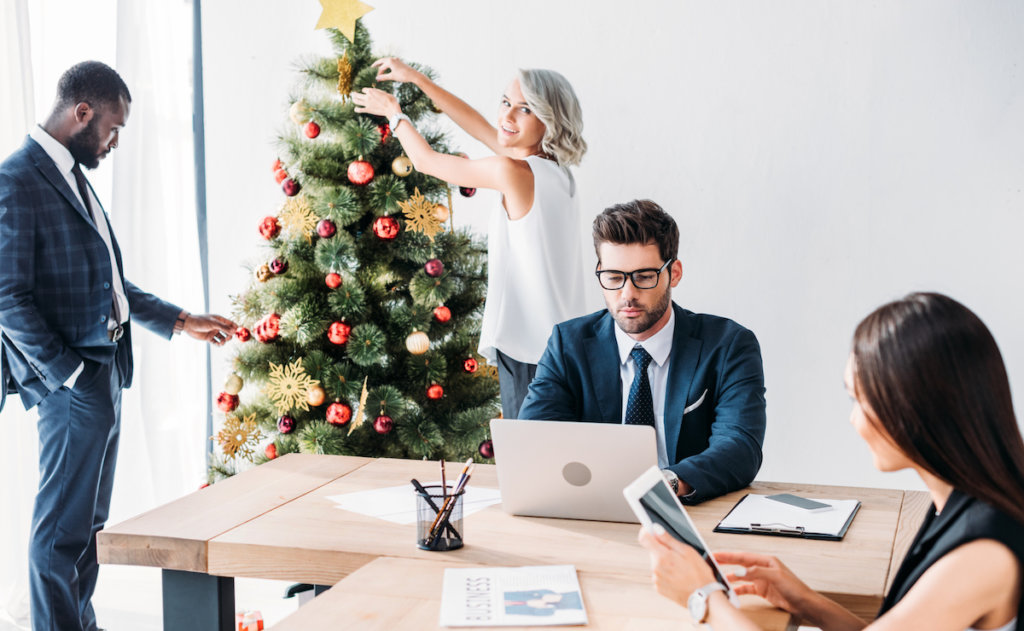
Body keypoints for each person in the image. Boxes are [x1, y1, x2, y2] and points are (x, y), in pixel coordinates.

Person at [0, 61, 236, 631]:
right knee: (59, 533)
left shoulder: (74, 176)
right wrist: (69, 375)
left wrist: (182, 320)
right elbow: (6, 296)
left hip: (104, 371)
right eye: (112, 128)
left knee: (89, 527)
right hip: (71, 384)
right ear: (82, 114)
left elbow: (109, 283)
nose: (113, 141)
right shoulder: (16, 178)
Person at [639, 293, 1024, 631]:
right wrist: (804, 601)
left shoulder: (981, 553)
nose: (853, 420)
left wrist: (703, 596)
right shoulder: (961, 505)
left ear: (918, 405)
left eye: (861, 399)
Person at [351, 58, 588, 419]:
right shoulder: (559, 173)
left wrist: (394, 114)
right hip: (563, 347)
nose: (508, 116)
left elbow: (427, 161)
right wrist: (417, 79)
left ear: (550, 120)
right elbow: (478, 125)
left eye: (525, 109)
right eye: (506, 102)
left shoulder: (514, 171)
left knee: (530, 459)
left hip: (530, 350)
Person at [518, 199, 767, 503]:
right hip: (593, 509)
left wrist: (667, 484)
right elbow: (534, 438)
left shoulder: (729, 346)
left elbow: (740, 446)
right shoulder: (567, 343)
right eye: (613, 277)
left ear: (673, 273)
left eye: (645, 277)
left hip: (686, 510)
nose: (627, 294)